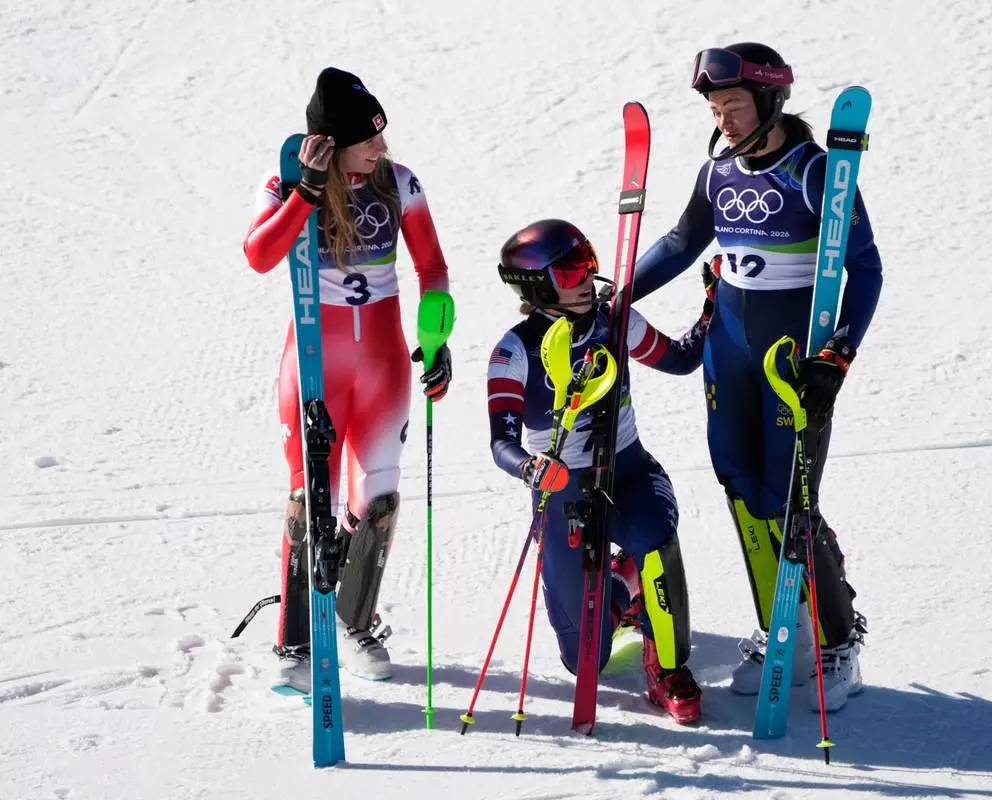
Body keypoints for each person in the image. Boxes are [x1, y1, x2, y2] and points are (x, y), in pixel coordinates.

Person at [629, 43, 883, 712]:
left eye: (735, 105)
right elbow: (683, 244)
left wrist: (837, 357)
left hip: (791, 362)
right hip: (727, 352)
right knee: (741, 488)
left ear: (770, 101)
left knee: (791, 498)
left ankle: (835, 638)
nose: (726, 119)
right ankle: (783, 629)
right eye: (716, 108)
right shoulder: (718, 173)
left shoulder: (815, 172)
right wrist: (620, 295)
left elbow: (868, 270)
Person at [242, 67, 453, 694]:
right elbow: (258, 255)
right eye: (369, 140)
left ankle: (354, 620)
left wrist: (436, 339)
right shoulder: (283, 179)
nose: (382, 148)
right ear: (333, 142)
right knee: (313, 496)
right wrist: (305, 194)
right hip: (315, 360)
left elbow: (433, 268)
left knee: (379, 500)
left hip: (384, 361)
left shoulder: (399, 183)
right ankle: (295, 639)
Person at [486, 219, 712, 724]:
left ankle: (669, 665)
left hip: (628, 470)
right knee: (584, 659)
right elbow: (501, 443)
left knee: (654, 535)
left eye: (588, 263)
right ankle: (619, 589)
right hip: (564, 490)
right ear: (539, 285)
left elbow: (679, 359)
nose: (587, 279)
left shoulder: (615, 321)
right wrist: (531, 467)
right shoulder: (513, 352)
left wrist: (712, 313)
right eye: (570, 273)